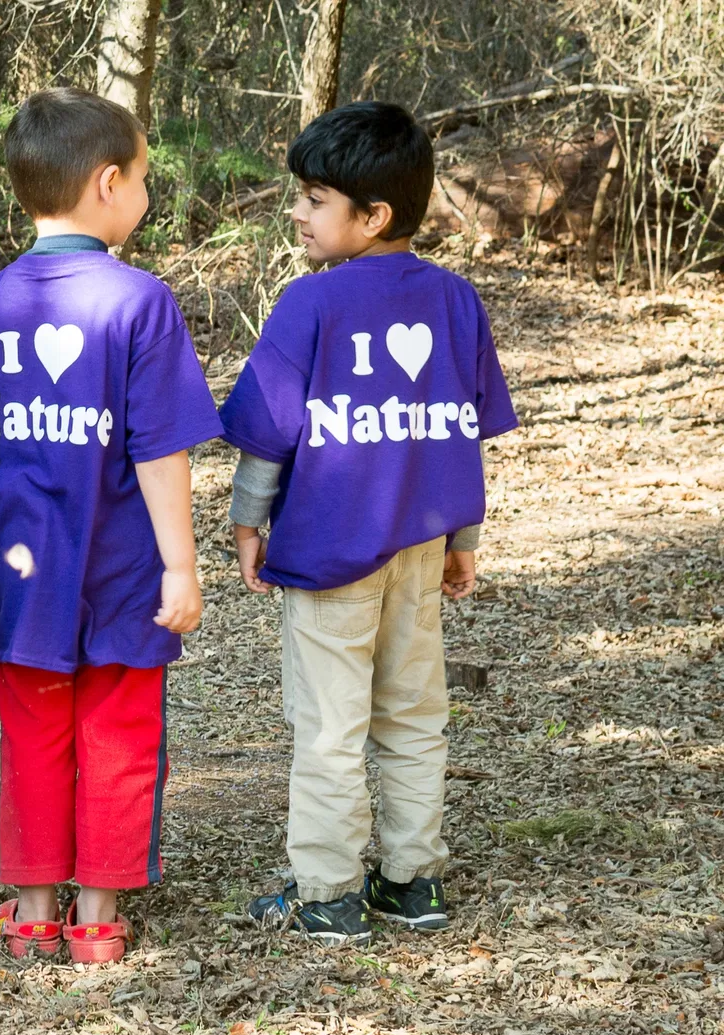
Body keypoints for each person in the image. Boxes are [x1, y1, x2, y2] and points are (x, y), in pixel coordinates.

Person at [221, 102, 517, 945]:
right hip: (421, 547)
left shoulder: (309, 306)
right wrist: (463, 539)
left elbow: (269, 437)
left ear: (372, 215)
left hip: (328, 552)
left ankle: (326, 891)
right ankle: (411, 878)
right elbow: (456, 430)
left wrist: (248, 522)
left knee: (329, 725)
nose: (298, 213)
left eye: (314, 199)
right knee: (414, 713)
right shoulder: (456, 303)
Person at [0, 88, 224, 962]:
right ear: (109, 183)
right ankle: (98, 917)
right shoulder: (140, 301)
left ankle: (33, 909)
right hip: (121, 571)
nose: (145, 192)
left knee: (33, 732)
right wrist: (180, 567)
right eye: (144, 177)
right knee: (118, 731)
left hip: (26, 571)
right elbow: (159, 449)